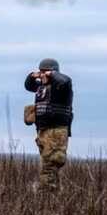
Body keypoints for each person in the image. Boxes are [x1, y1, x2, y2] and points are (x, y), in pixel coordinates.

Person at [24, 58, 73, 191]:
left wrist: (51, 74)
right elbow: (28, 85)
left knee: (50, 164)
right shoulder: (42, 87)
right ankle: (53, 196)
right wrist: (32, 75)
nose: (43, 75)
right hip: (43, 131)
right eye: (41, 72)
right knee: (47, 165)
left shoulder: (62, 88)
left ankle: (46, 196)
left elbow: (65, 80)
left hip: (56, 131)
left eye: (46, 72)